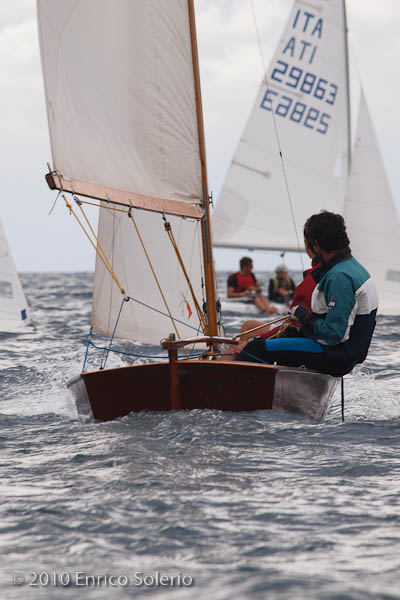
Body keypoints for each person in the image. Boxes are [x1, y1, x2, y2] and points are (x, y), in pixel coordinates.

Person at [235, 211, 378, 377]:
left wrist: (304, 317)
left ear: (315, 244)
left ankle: (233, 391)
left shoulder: (339, 276)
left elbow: (334, 335)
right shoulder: (352, 266)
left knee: (254, 349)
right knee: (282, 337)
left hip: (335, 355)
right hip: (344, 353)